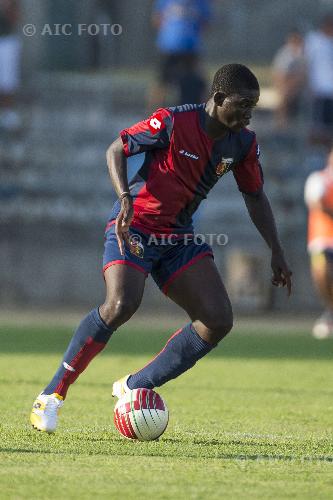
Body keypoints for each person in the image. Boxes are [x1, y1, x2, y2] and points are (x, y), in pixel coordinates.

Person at [30, 64, 292, 433]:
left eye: (254, 105)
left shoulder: (243, 143)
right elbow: (115, 150)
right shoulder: (172, 121)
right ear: (218, 99)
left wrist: (276, 250)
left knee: (217, 320)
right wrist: (124, 198)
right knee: (121, 304)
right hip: (134, 226)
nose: (249, 113)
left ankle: (135, 386)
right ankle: (50, 396)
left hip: (177, 236)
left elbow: (255, 195)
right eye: (243, 104)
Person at [148, 0, 211, 110]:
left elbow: (205, 22)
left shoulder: (200, 2)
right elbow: (157, 19)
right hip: (172, 45)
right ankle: (152, 115)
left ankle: (209, 113)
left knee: (200, 81)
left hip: (188, 46)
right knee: (162, 82)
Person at [304, 148, 333, 338]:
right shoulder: (319, 179)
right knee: (323, 274)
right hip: (323, 239)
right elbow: (317, 203)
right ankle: (330, 311)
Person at [304, 15, 333, 147]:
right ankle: (315, 151)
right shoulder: (314, 40)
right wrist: (309, 85)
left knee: (328, 125)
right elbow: (307, 64)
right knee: (318, 125)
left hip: (330, 91)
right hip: (320, 89)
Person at [272, 29, 306, 127]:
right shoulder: (285, 54)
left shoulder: (302, 54)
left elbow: (303, 74)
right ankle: (282, 122)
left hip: (297, 86)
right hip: (286, 86)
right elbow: (279, 74)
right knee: (284, 95)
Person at [0, 0, 21, 131]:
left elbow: (16, 18)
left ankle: (7, 113)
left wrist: (6, 7)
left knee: (7, 80)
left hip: (7, 41)